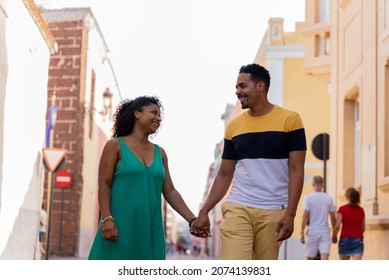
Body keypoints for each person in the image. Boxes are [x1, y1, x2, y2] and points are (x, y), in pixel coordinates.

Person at [190, 63, 307, 260]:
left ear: (260, 86)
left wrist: (291, 214)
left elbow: (296, 169)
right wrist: (204, 211)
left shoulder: (290, 120)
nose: (238, 91)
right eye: (237, 87)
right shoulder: (234, 127)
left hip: (273, 210)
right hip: (239, 206)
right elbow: (225, 174)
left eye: (242, 86)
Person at [88, 96, 196, 260]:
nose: (158, 118)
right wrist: (107, 219)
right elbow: (104, 184)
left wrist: (192, 219)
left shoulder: (160, 153)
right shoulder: (115, 145)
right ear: (137, 113)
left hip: (151, 230)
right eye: (154, 113)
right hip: (120, 225)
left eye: (160, 116)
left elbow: (170, 191)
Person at [300, 175, 336, 260]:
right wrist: (334, 232)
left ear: (312, 184)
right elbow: (333, 217)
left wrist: (301, 232)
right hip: (325, 230)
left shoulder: (308, 198)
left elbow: (305, 216)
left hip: (312, 230)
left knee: (309, 257)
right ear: (322, 185)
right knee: (325, 255)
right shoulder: (328, 198)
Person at [332, 187, 365, 260]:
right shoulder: (361, 210)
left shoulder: (342, 209)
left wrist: (334, 236)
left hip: (345, 240)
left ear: (347, 197)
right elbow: (363, 227)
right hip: (358, 240)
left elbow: (337, 226)